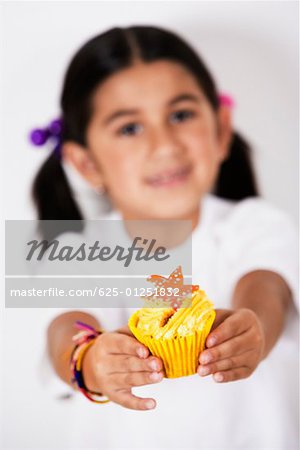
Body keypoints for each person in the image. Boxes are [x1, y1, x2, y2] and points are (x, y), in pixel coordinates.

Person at [31, 25, 298, 449]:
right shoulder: (75, 251)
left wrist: (255, 329)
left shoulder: (255, 224)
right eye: (129, 128)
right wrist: (90, 361)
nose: (164, 145)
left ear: (221, 128)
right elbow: (64, 329)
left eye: (180, 115)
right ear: (86, 164)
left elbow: (268, 289)